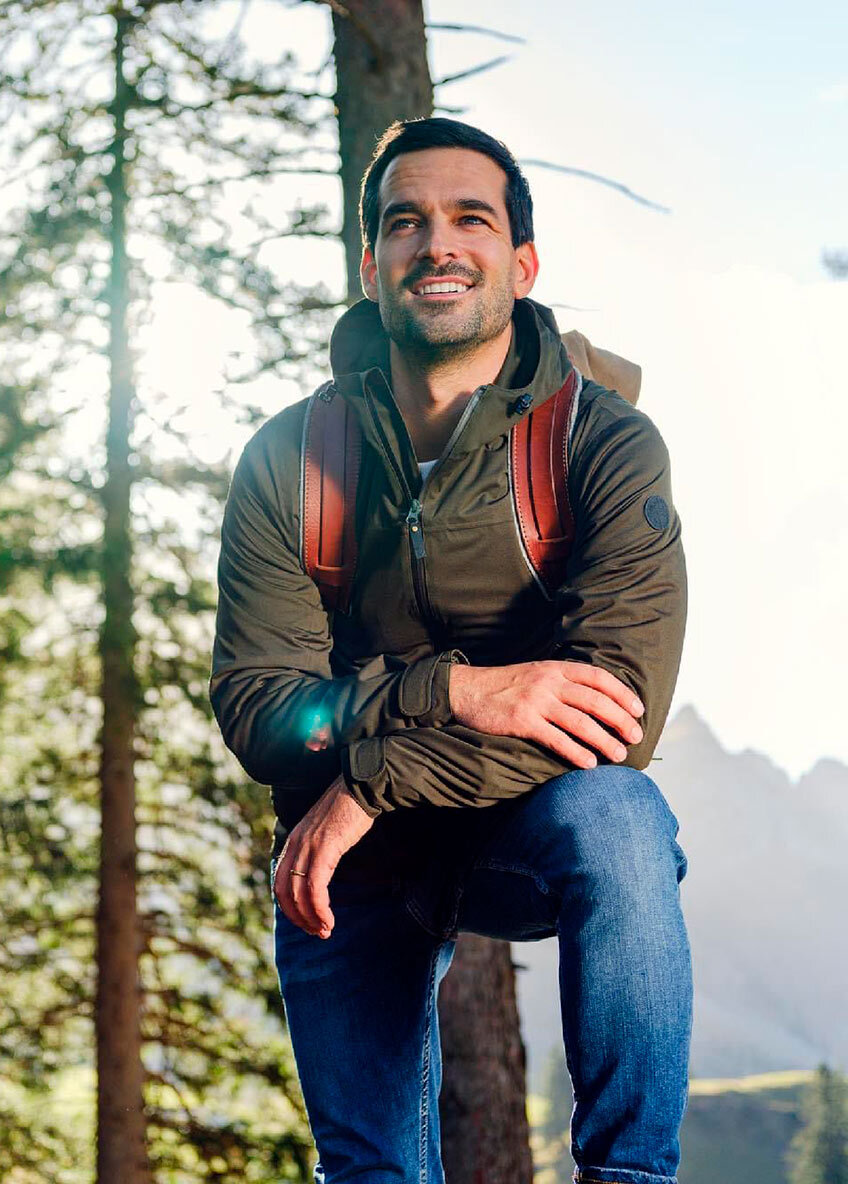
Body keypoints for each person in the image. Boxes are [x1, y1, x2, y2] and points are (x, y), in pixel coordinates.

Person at [210, 117, 691, 1184]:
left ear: (522, 264)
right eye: (404, 222)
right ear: (369, 264)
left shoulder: (601, 440)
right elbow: (262, 708)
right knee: (372, 1173)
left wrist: (372, 778)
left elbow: (616, 708)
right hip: (349, 854)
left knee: (619, 817)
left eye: (471, 218)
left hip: (512, 812)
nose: (437, 244)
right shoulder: (289, 459)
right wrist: (461, 692)